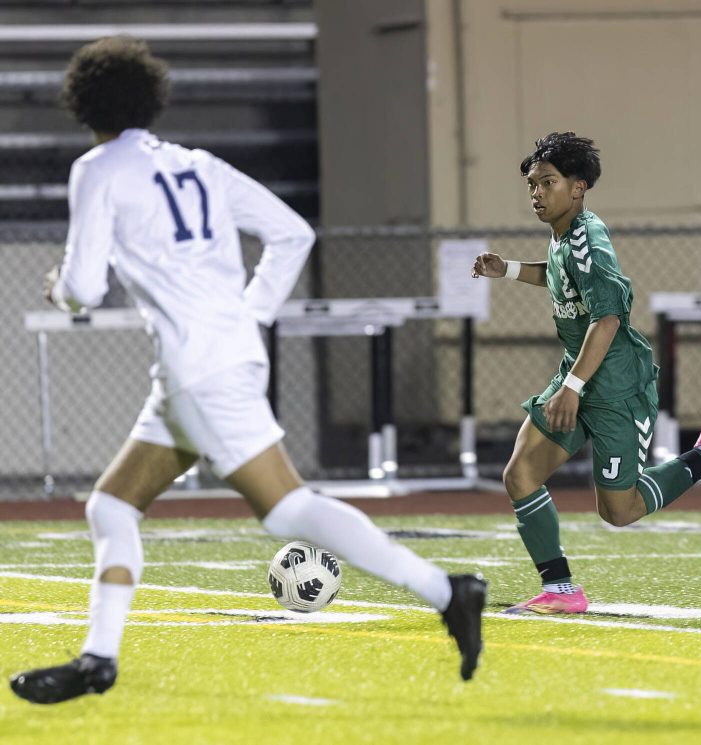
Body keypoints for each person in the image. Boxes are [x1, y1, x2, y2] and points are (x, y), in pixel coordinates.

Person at [9, 36, 486, 704]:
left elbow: (85, 288)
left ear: (81, 101)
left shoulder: (98, 168)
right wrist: (249, 312)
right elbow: (294, 232)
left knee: (287, 508)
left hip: (197, 367)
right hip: (207, 361)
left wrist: (59, 287)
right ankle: (98, 657)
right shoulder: (198, 163)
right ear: (152, 97)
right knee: (112, 504)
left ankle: (447, 590)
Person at [472, 132, 701, 615]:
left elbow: (607, 319)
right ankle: (562, 591)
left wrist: (573, 387)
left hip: (616, 386)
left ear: (578, 187)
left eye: (548, 182)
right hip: (580, 374)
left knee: (618, 511)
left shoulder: (589, 239)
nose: (536, 193)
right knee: (520, 474)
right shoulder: (564, 235)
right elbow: (560, 275)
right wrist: (511, 270)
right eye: (532, 184)